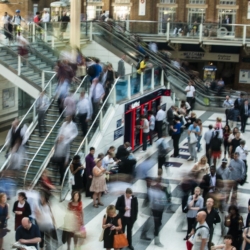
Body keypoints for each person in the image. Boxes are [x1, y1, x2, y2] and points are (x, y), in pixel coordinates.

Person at [53, 116, 78, 185]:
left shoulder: (66, 143)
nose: (60, 138)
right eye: (60, 137)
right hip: (57, 157)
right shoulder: (57, 143)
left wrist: (66, 160)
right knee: (56, 170)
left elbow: (67, 152)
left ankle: (62, 182)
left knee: (62, 171)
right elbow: (55, 149)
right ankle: (55, 181)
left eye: (61, 137)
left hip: (63, 158)